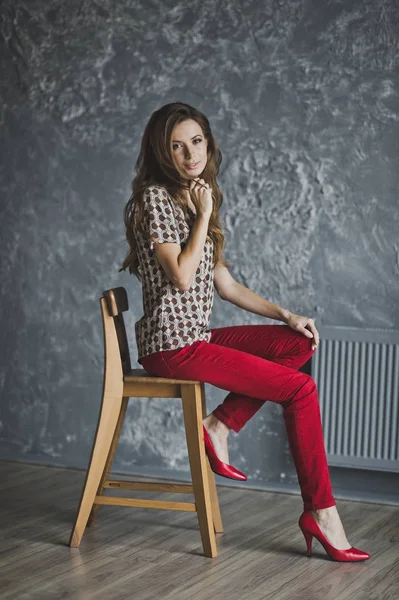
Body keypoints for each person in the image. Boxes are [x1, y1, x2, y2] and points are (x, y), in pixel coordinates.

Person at [119, 102, 370, 563]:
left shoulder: (197, 193)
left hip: (197, 337)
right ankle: (322, 513)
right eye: (176, 146)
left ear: (208, 143)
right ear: (162, 153)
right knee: (300, 390)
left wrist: (285, 314)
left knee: (298, 343)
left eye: (195, 141)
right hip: (171, 346)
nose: (189, 154)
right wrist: (202, 215)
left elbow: (225, 283)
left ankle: (220, 423)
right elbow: (179, 274)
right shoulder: (156, 198)